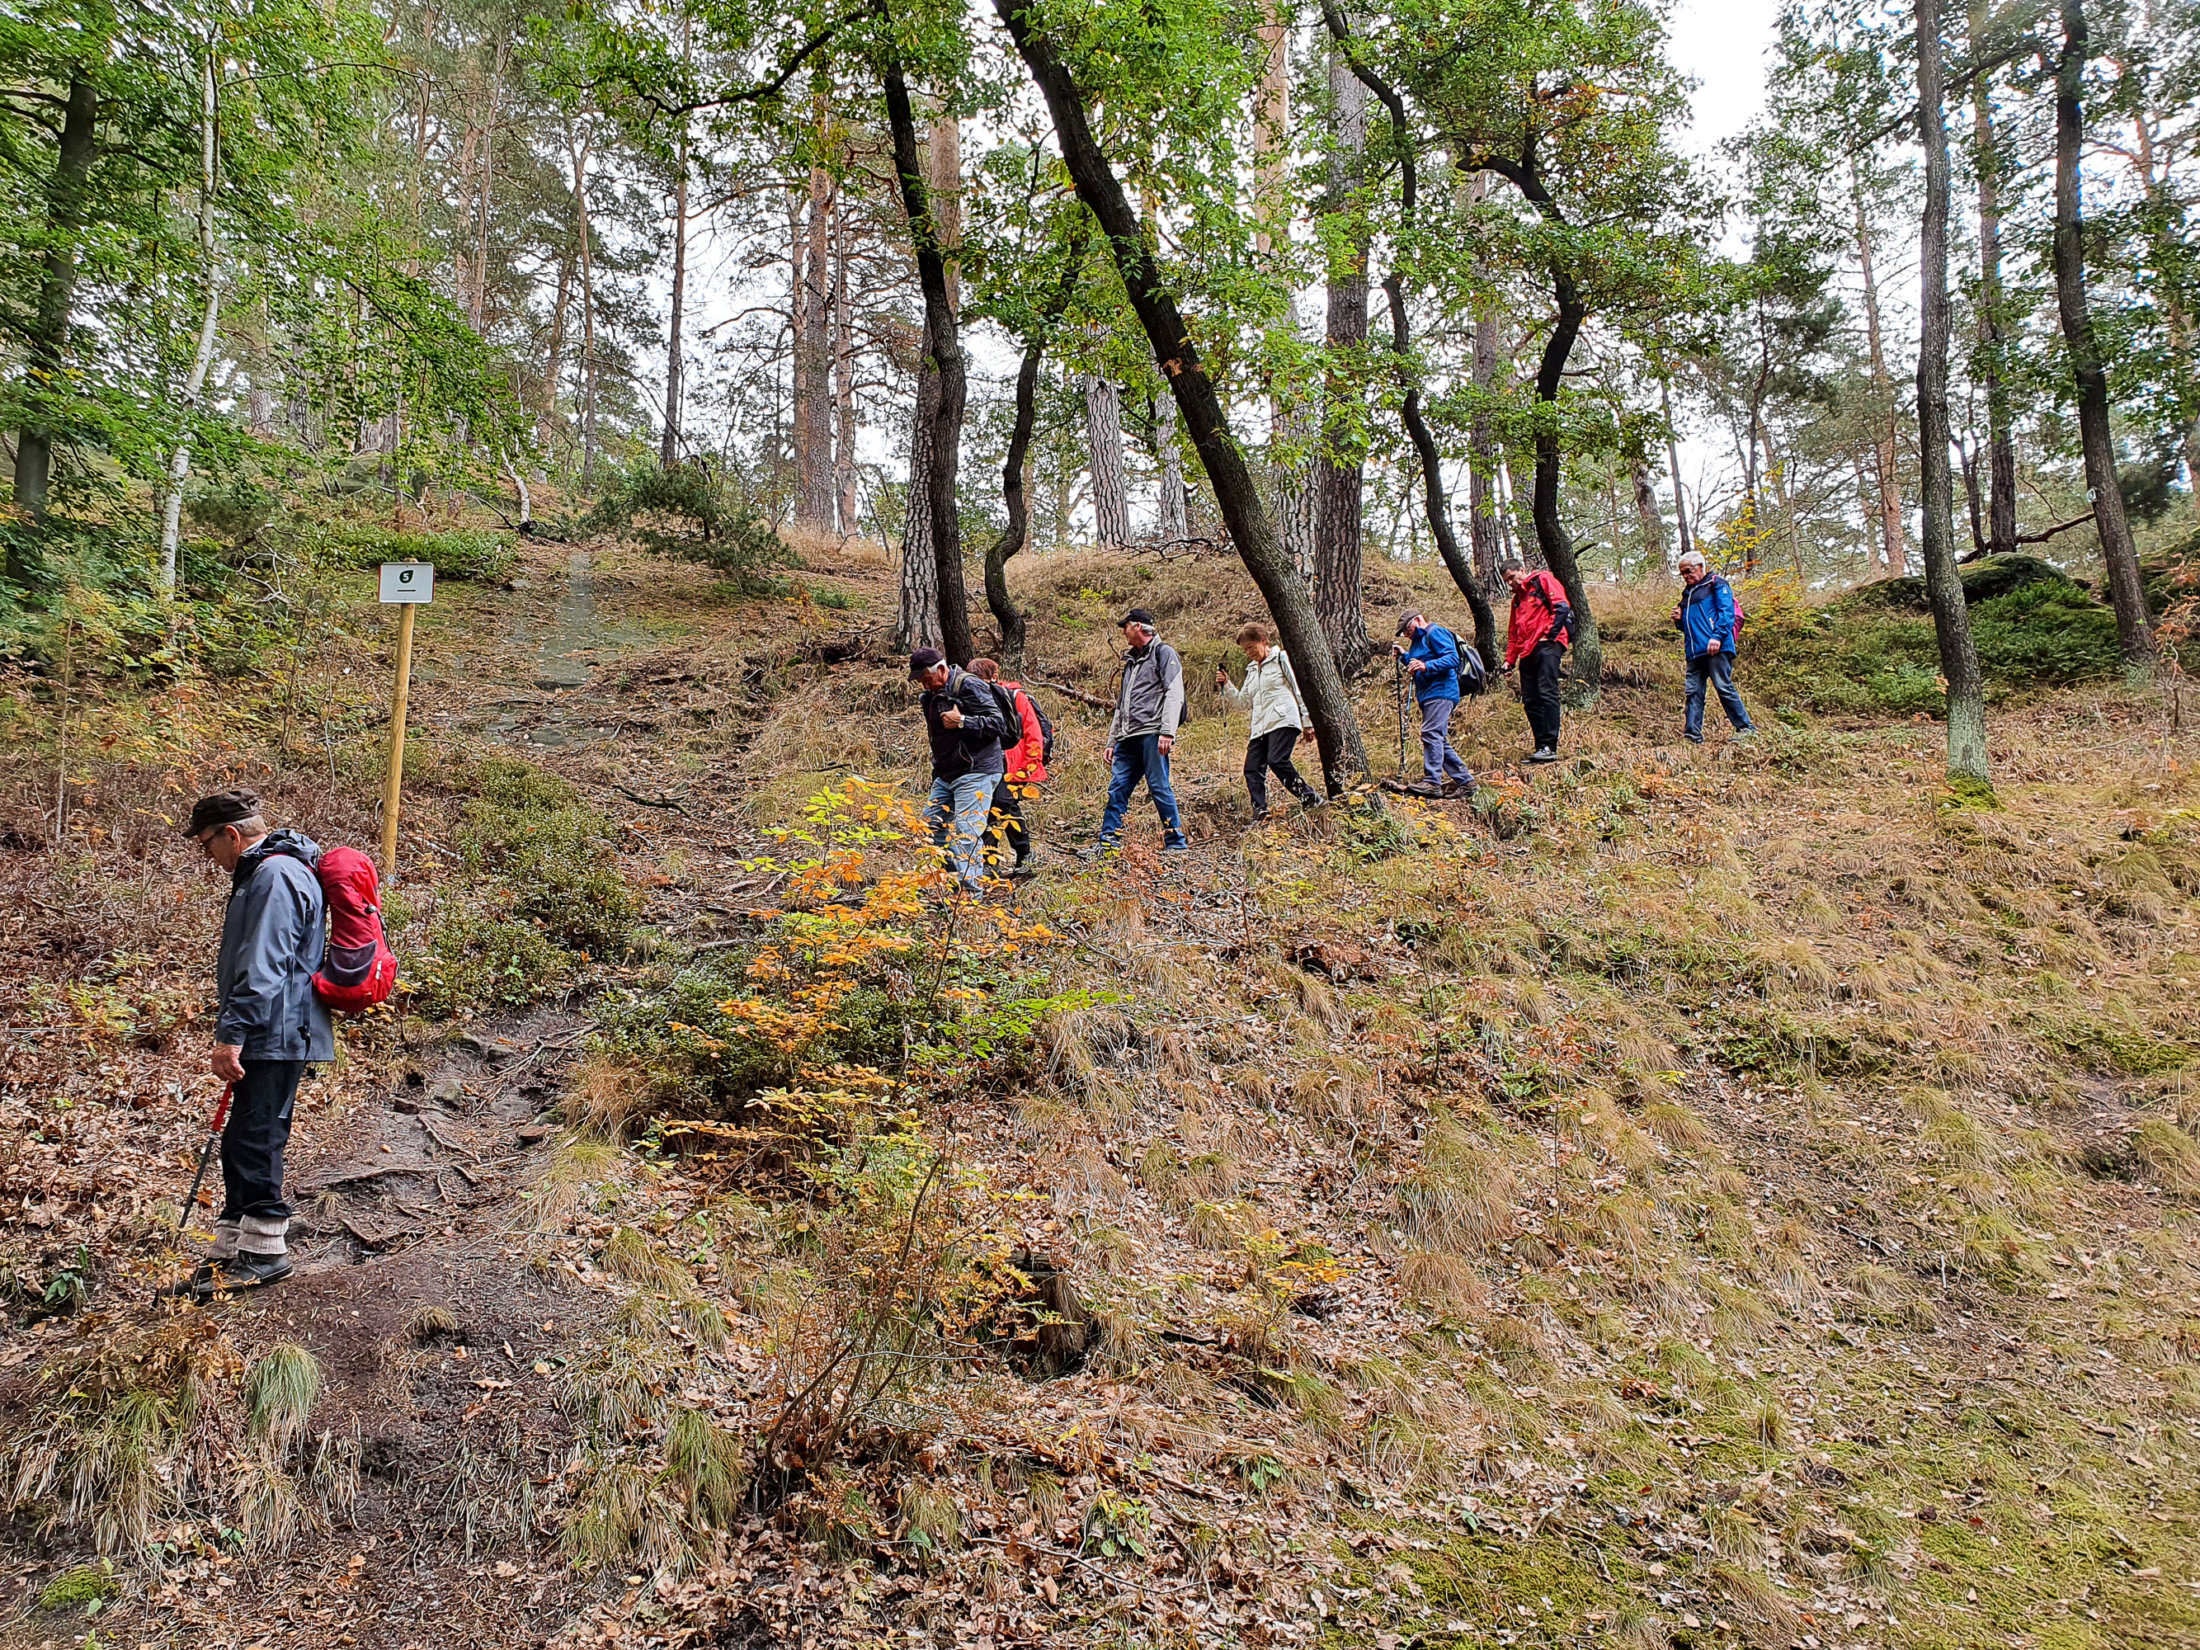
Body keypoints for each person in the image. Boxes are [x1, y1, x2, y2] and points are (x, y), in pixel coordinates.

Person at [164, 790, 334, 1298]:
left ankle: (266, 1254)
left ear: (231, 835)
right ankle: (231, 1250)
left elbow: (264, 966)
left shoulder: (275, 876)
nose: (206, 855)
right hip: (273, 1027)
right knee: (242, 1136)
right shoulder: (267, 874)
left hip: (276, 1031)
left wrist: (231, 1035)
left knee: (257, 1135)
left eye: (206, 843)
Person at [1090, 608, 1187, 857]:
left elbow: (1174, 693)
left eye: (1126, 626)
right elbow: (1122, 705)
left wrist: (1167, 732)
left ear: (1139, 627)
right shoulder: (1130, 663)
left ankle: (1175, 841)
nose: (1123, 631)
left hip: (1153, 733)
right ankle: (1109, 840)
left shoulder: (1164, 653)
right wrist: (1112, 740)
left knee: (1158, 786)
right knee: (1117, 787)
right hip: (1127, 736)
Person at [911, 647, 1009, 893]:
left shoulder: (969, 686)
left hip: (977, 769)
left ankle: (970, 896)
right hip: (946, 774)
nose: (924, 685)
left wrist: (963, 722)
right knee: (929, 827)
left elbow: (998, 723)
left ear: (941, 670)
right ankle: (954, 879)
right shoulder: (931, 696)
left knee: (966, 832)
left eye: (926, 679)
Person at [1214, 621, 1324, 818]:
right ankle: (1261, 811)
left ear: (1263, 640)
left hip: (1283, 719)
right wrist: (1227, 685)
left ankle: (1310, 797)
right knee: (1252, 768)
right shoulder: (1251, 670)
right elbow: (1243, 702)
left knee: (1277, 760)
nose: (1248, 652)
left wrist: (1307, 722)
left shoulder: (1281, 658)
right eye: (1245, 649)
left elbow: (1299, 689)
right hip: (1260, 726)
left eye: (1251, 647)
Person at [970, 656, 1045, 878]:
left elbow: (1033, 733)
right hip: (990, 764)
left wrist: (1029, 766)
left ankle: (1020, 855)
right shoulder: (976, 699)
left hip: (1016, 765)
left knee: (1002, 804)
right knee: (994, 806)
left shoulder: (1014, 697)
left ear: (993, 678)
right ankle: (997, 859)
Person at [1672, 550, 1756, 744]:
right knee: (1693, 692)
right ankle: (1692, 736)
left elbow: (1726, 613)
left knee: (1723, 687)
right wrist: (1678, 620)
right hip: (1694, 651)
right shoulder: (1687, 594)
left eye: (1689, 571)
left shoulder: (1716, 584)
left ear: (1701, 567)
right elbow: (1689, 627)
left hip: (1716, 647)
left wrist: (1717, 637)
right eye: (1683, 573)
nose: (1686, 576)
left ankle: (1746, 729)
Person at [1391, 611, 1477, 799]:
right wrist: (1405, 657)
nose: (1406, 634)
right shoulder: (1418, 642)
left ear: (1418, 620)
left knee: (1431, 734)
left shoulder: (1435, 632)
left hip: (1442, 691)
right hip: (1429, 694)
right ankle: (1466, 782)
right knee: (1437, 738)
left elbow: (1452, 658)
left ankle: (1432, 782)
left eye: (1407, 629)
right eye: (1403, 633)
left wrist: (1426, 666)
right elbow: (1421, 660)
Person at [1500, 563, 1573, 764]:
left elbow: (1562, 607)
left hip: (1548, 644)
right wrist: (1509, 661)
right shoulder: (1517, 601)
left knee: (1547, 691)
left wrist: (1549, 636)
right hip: (1527, 649)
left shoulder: (1543, 580)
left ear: (1522, 570)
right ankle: (1541, 746)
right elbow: (1513, 633)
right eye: (1507, 580)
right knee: (1530, 698)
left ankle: (1550, 745)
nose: (1511, 583)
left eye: (1513, 577)